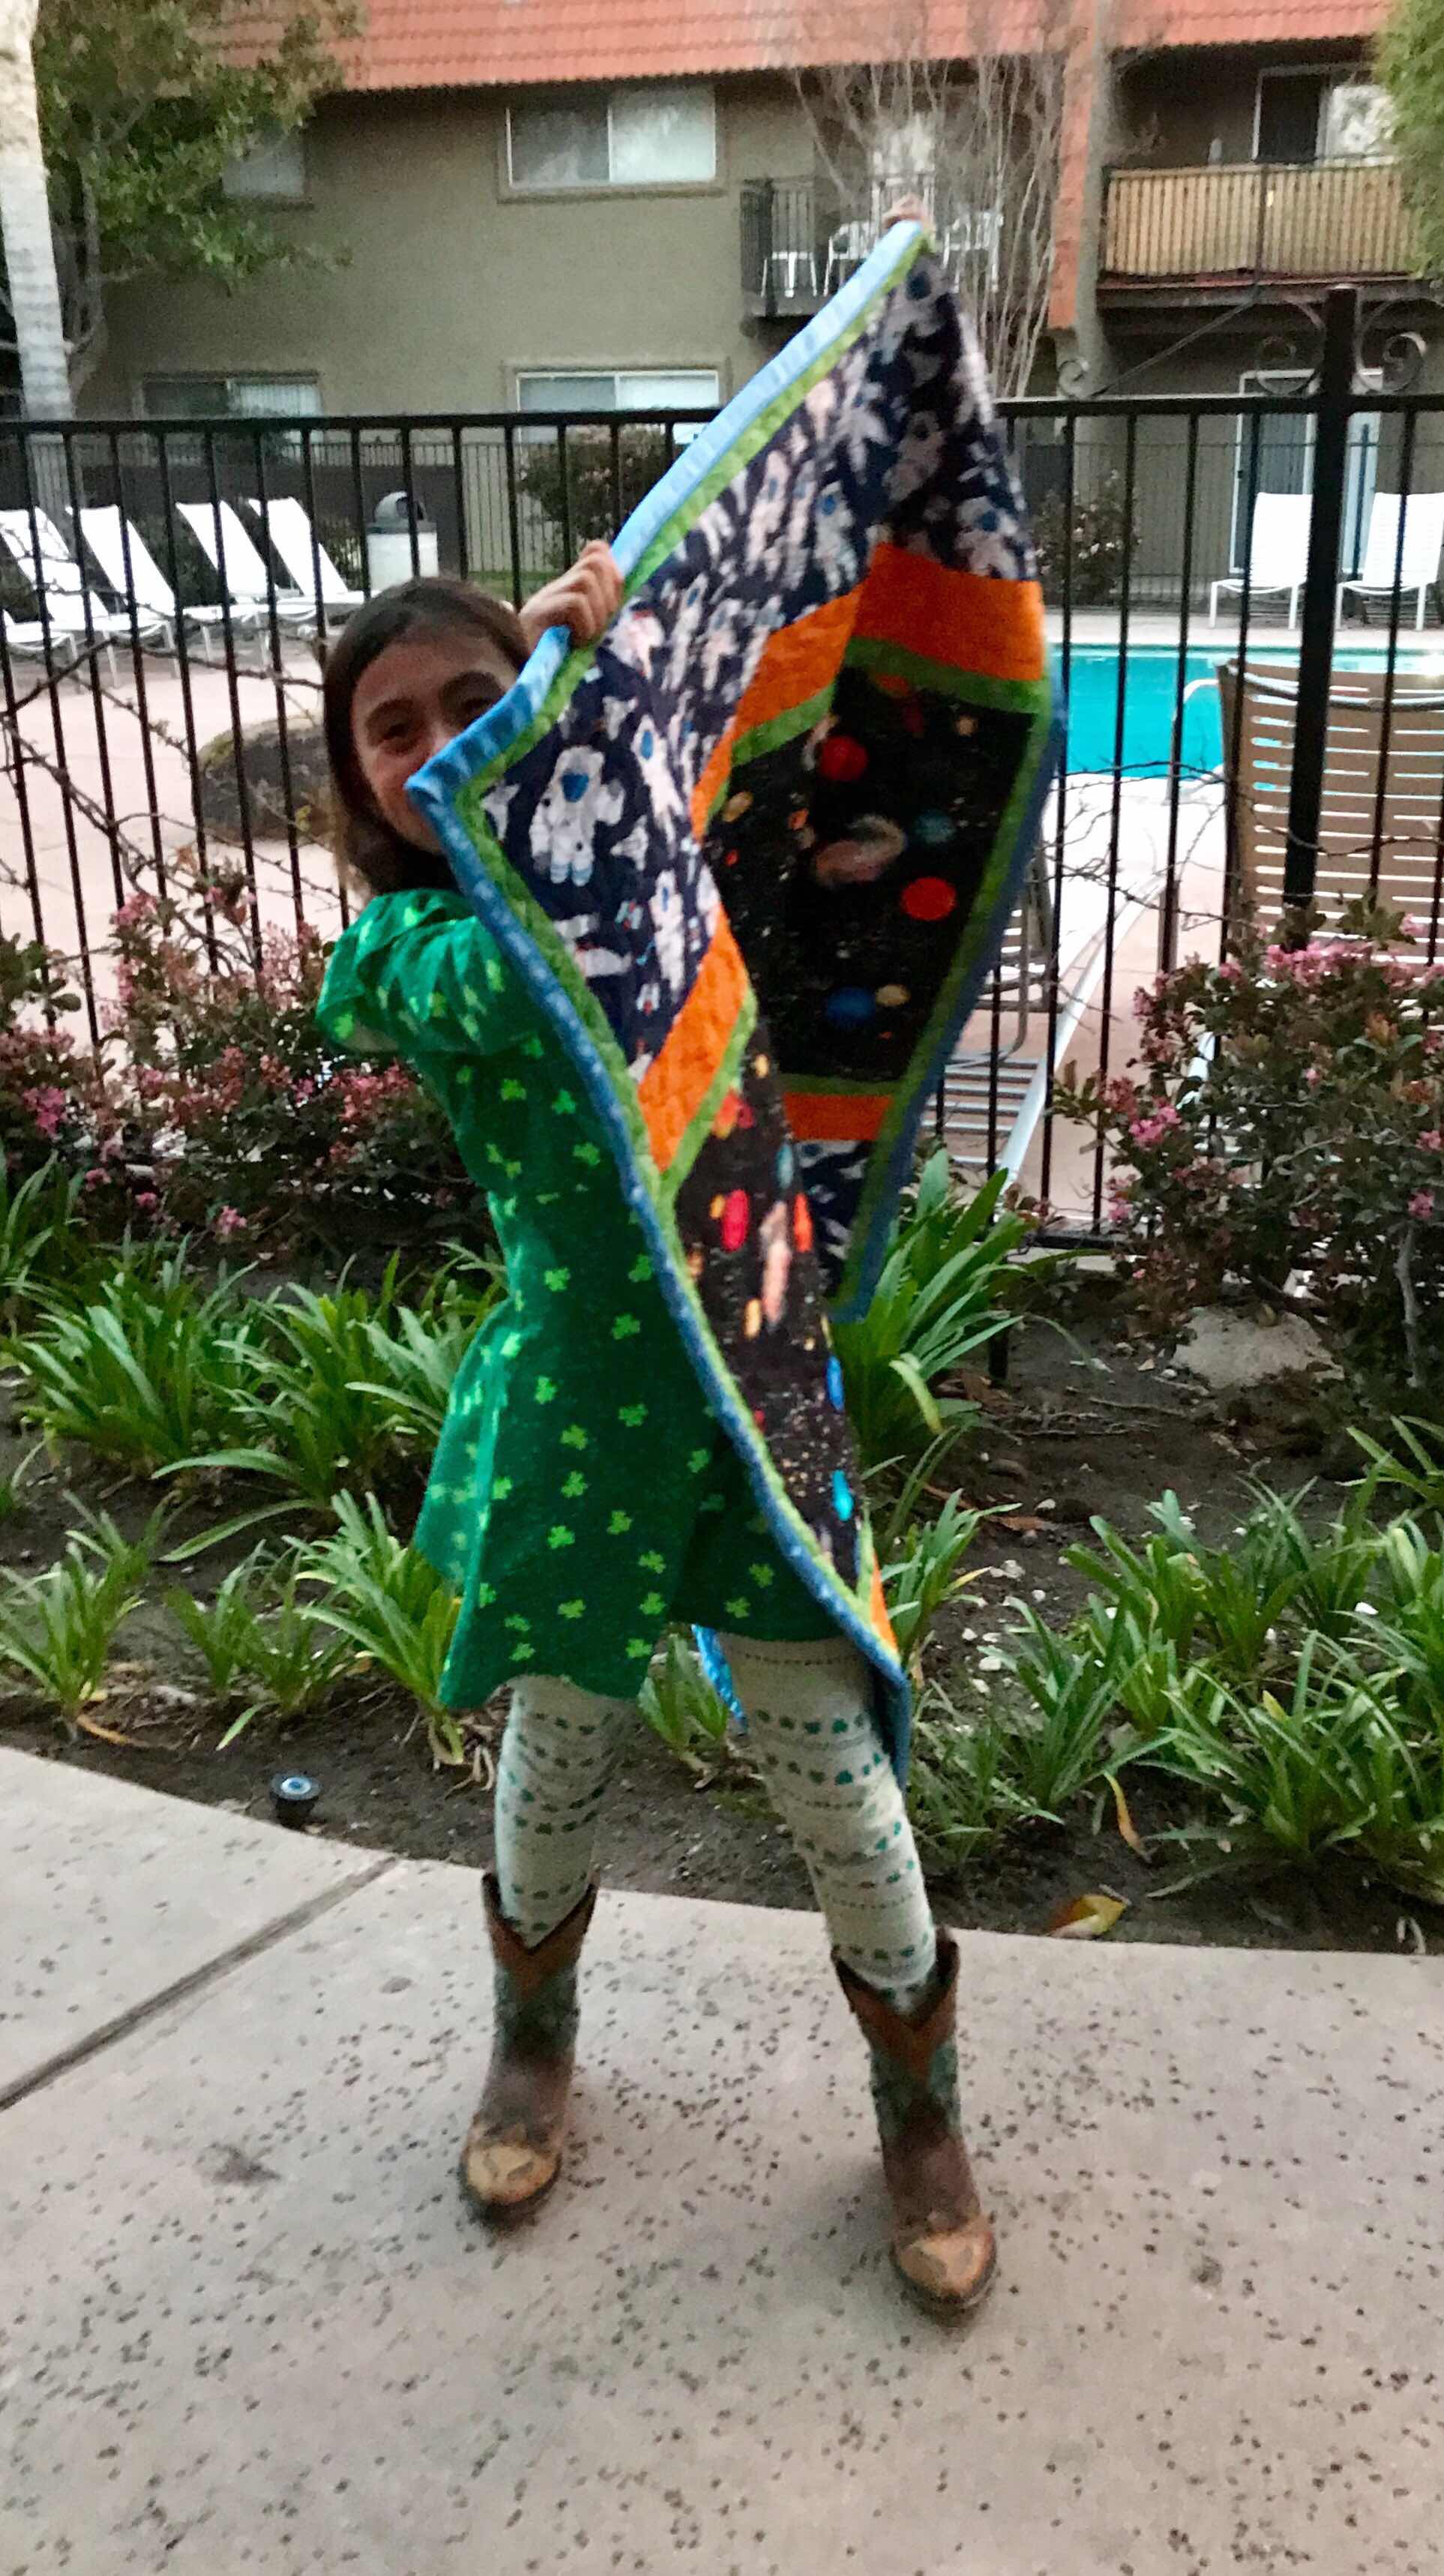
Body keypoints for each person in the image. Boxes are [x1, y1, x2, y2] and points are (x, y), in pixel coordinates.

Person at [314, 559, 996, 2315]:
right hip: (577, 1418)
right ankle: (530, 2045)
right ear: (359, 785)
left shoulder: (680, 861)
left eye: (475, 700)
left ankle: (919, 2112)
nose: (437, 742)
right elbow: (536, 966)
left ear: (537, 701)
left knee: (837, 1785)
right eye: (392, 728)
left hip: (749, 1391)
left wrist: (620, 705)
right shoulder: (407, 951)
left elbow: (797, 871)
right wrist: (590, 741)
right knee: (554, 1759)